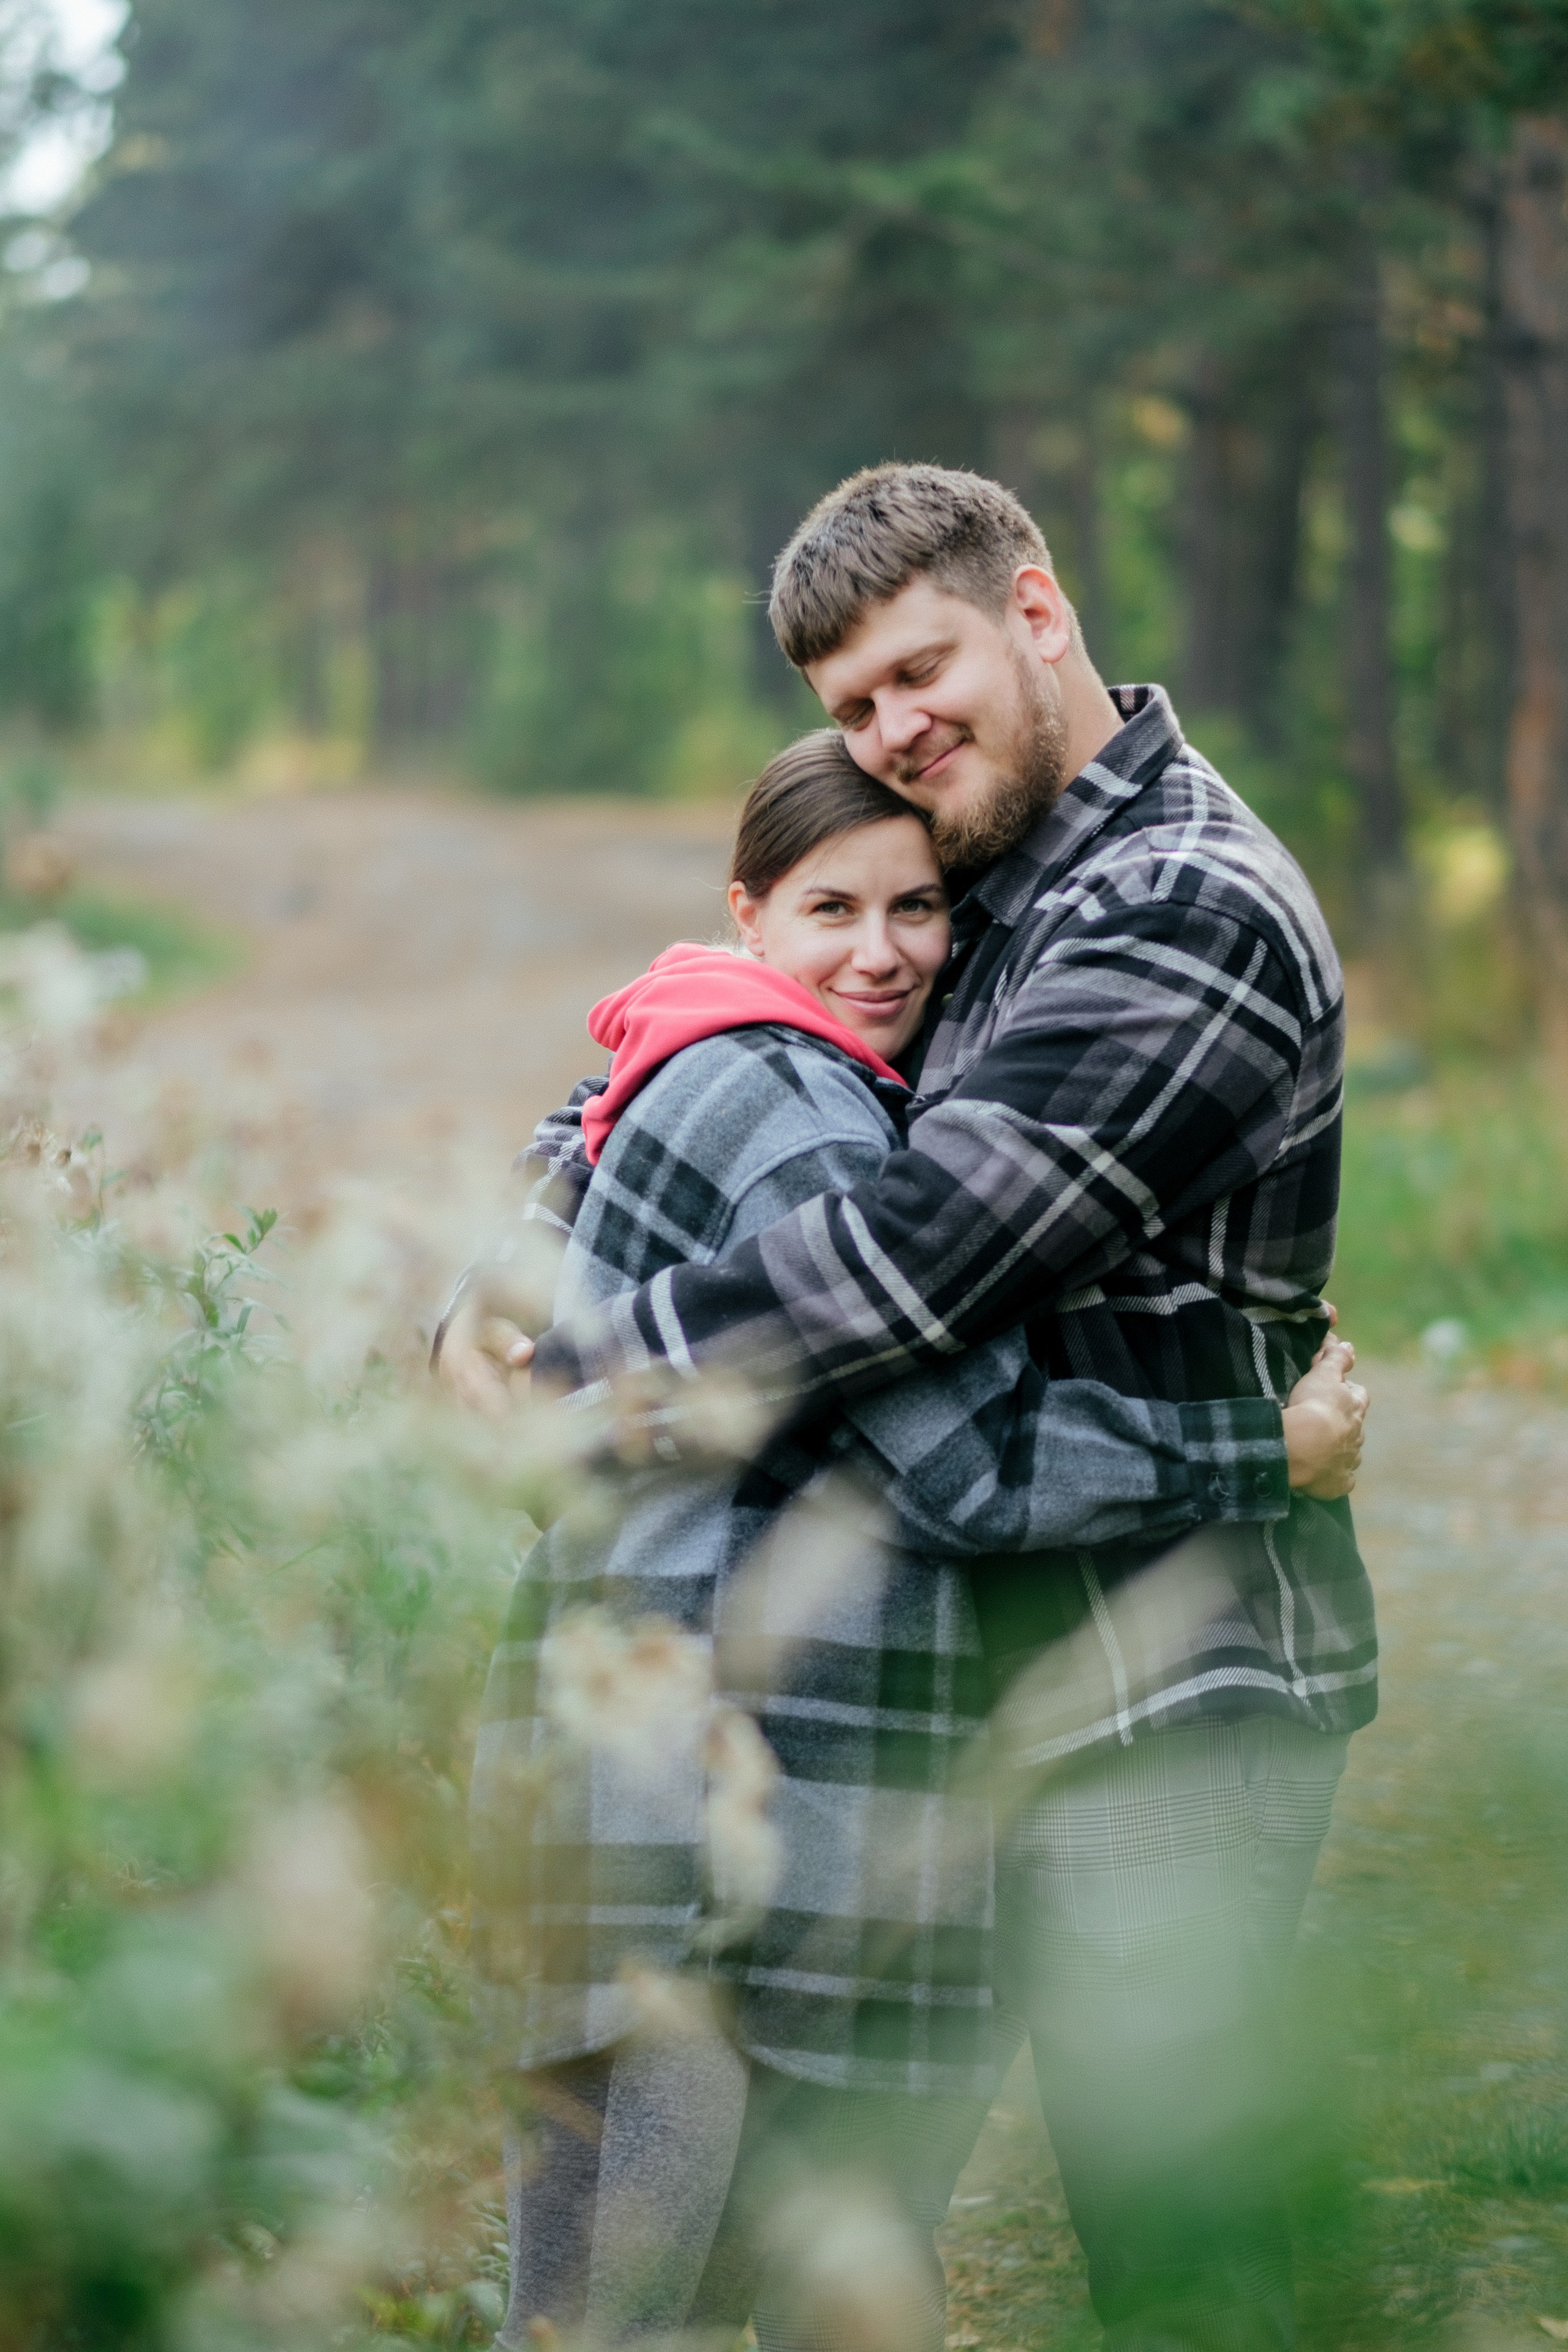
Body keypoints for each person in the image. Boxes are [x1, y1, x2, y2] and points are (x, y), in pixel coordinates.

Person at [445, 462, 1377, 2352]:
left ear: (1037, 609)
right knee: (829, 2241)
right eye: (852, 704)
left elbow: (901, 1266)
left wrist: (584, 1372)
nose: (894, 726)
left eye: (920, 669)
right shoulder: (962, 866)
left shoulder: (1183, 905)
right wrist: (523, 1248)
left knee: (1178, 2242)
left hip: (1158, 1688)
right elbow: (730, 1026)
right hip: (940, 1671)